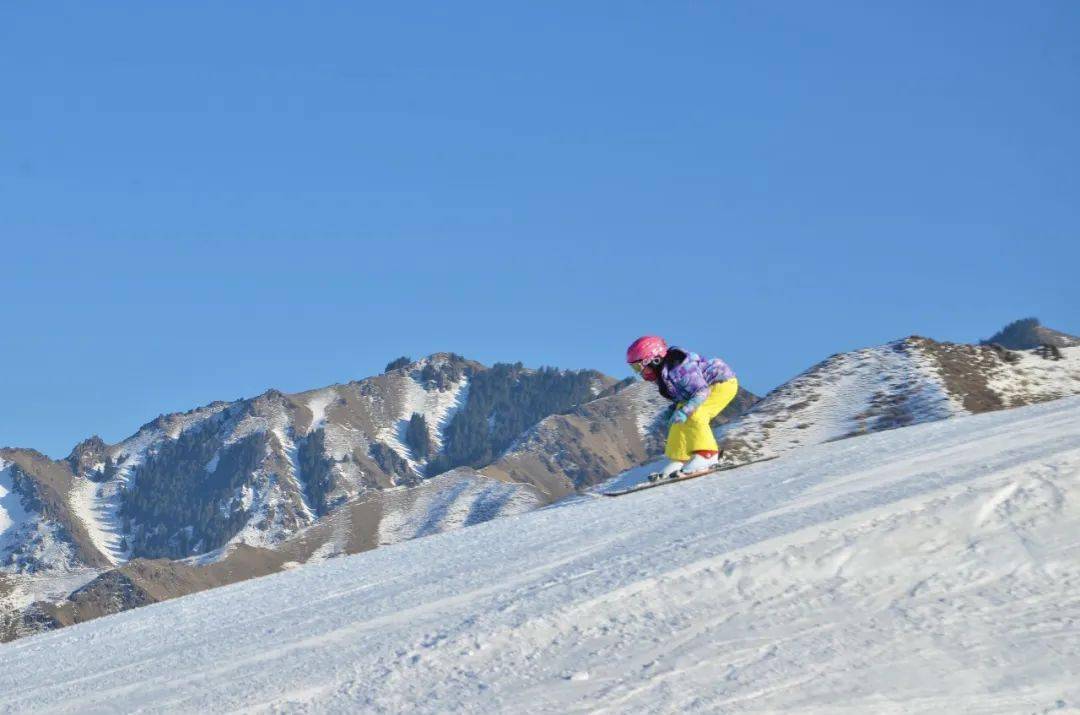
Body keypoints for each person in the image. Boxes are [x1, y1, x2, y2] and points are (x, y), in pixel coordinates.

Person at [626, 335, 738, 479]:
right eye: (634, 368)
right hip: (699, 392)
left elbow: (702, 391)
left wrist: (685, 411)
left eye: (638, 366)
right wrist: (673, 410)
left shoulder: (680, 368)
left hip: (721, 384)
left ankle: (708, 455)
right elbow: (683, 395)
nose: (639, 372)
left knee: (696, 414)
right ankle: (680, 459)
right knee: (677, 423)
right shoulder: (664, 375)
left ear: (654, 360)